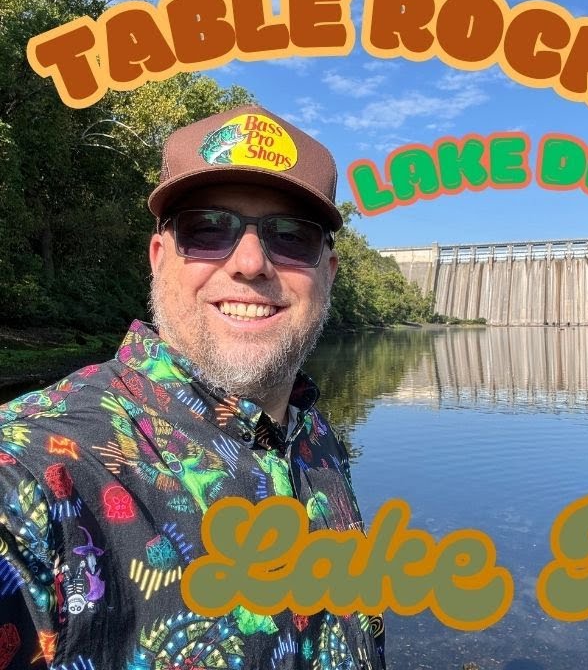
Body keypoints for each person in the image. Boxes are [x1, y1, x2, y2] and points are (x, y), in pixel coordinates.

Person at [0, 106, 385, 668]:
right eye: (207, 229)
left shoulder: (315, 437)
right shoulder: (34, 474)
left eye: (290, 236)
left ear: (328, 272)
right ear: (159, 258)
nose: (251, 263)